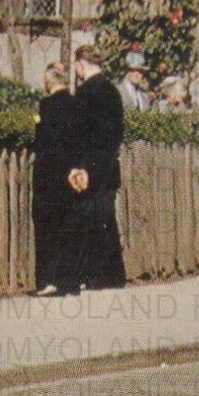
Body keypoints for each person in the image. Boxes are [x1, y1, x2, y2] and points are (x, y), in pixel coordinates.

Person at [67, 45, 127, 290]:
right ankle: (112, 275)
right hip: (108, 164)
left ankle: (90, 275)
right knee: (106, 219)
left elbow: (80, 134)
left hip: (89, 165)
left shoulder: (85, 93)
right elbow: (117, 132)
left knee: (86, 219)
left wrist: (80, 166)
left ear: (81, 63)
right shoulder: (113, 92)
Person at [31, 66, 81, 295]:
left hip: (49, 173)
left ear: (49, 81)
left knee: (47, 226)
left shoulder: (46, 106)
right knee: (69, 225)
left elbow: (42, 140)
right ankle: (70, 281)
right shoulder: (77, 105)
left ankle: (47, 280)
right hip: (70, 171)